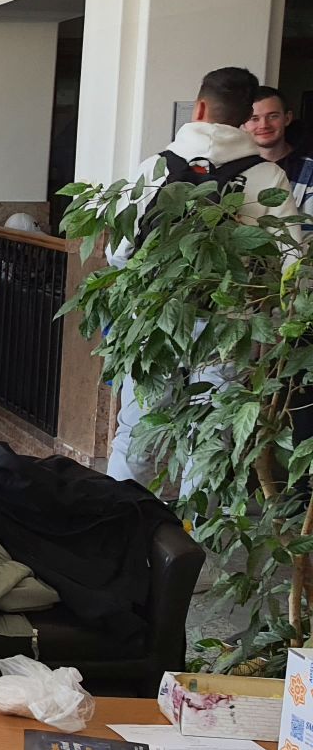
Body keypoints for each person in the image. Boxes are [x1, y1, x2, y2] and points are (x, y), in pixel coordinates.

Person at [106, 67, 295, 485]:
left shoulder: (156, 167)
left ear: (200, 108)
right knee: (210, 440)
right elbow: (292, 263)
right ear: (245, 117)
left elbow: (118, 251)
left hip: (156, 317)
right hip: (230, 325)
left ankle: (117, 518)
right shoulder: (267, 177)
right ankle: (193, 525)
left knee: (137, 433)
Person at [245, 87, 313, 215]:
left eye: (273, 116)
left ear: (287, 118)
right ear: (243, 124)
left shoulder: (309, 170)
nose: (264, 125)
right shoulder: (233, 169)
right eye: (254, 118)